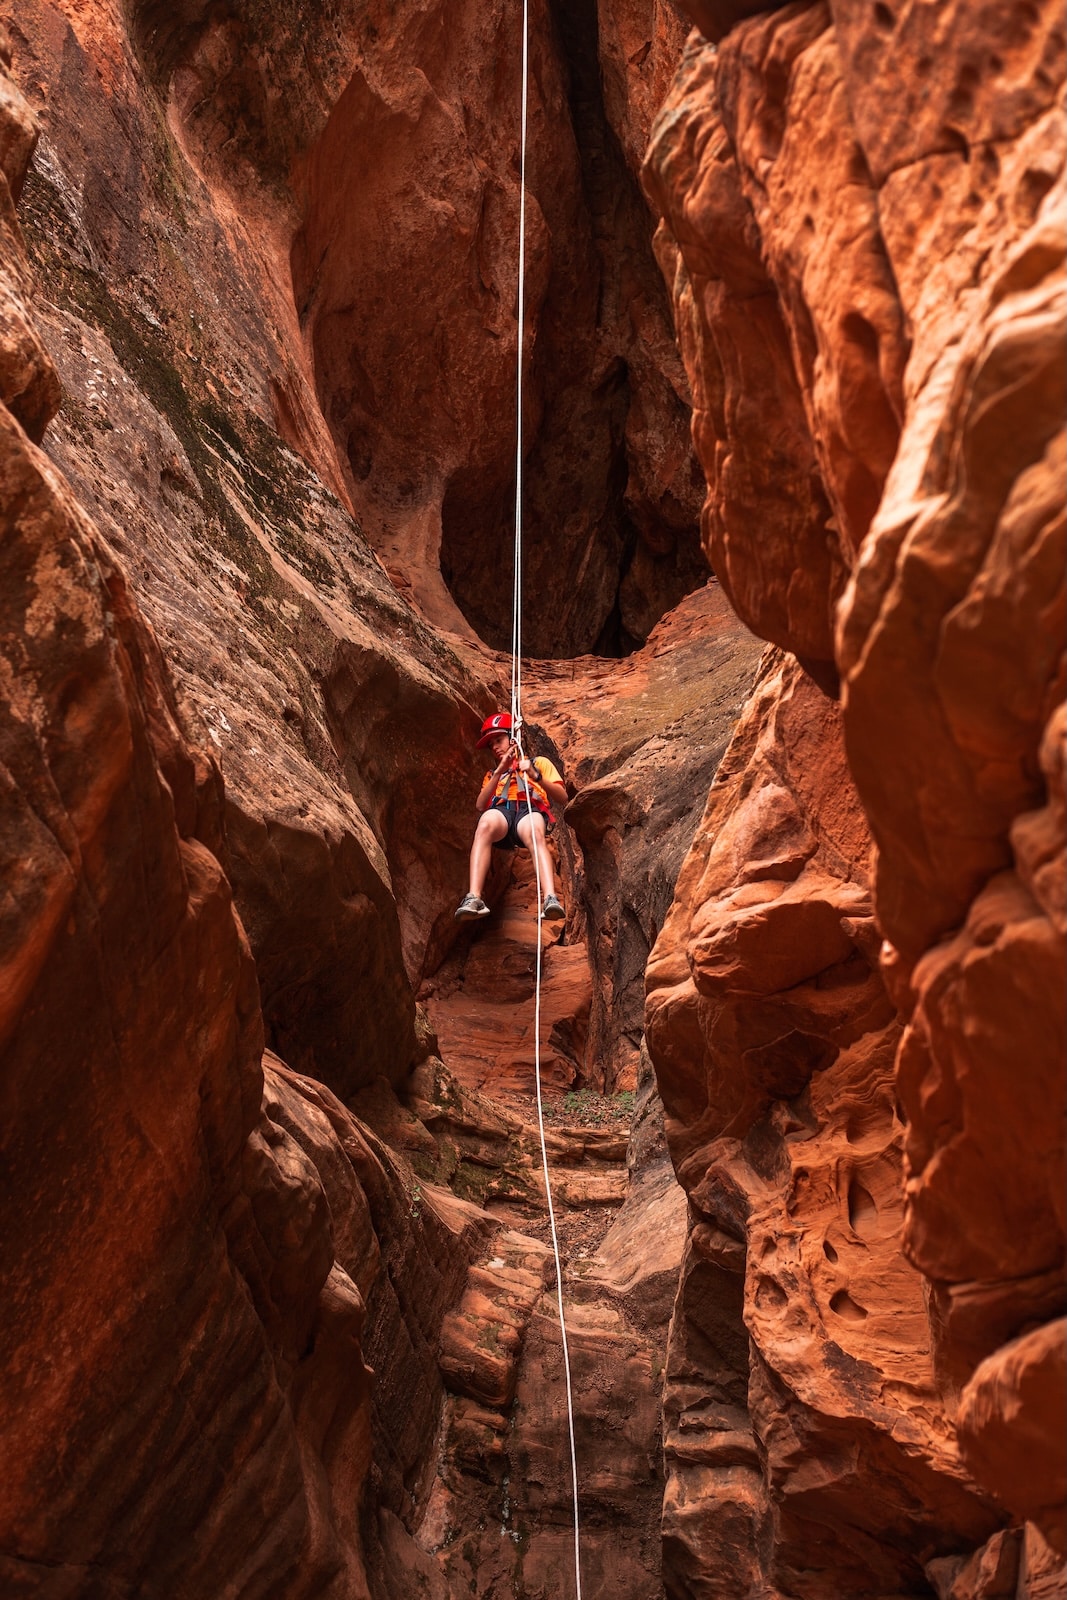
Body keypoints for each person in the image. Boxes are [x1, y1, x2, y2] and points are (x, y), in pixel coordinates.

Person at [455, 712, 569, 922]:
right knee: (484, 824)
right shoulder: (492, 774)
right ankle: (474, 897)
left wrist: (535, 776)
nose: (495, 747)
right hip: (503, 814)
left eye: (499, 740)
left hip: (529, 811)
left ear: (514, 738)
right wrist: (500, 771)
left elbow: (562, 797)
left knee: (534, 831)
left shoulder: (539, 763)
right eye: (491, 744)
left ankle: (550, 898)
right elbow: (480, 805)